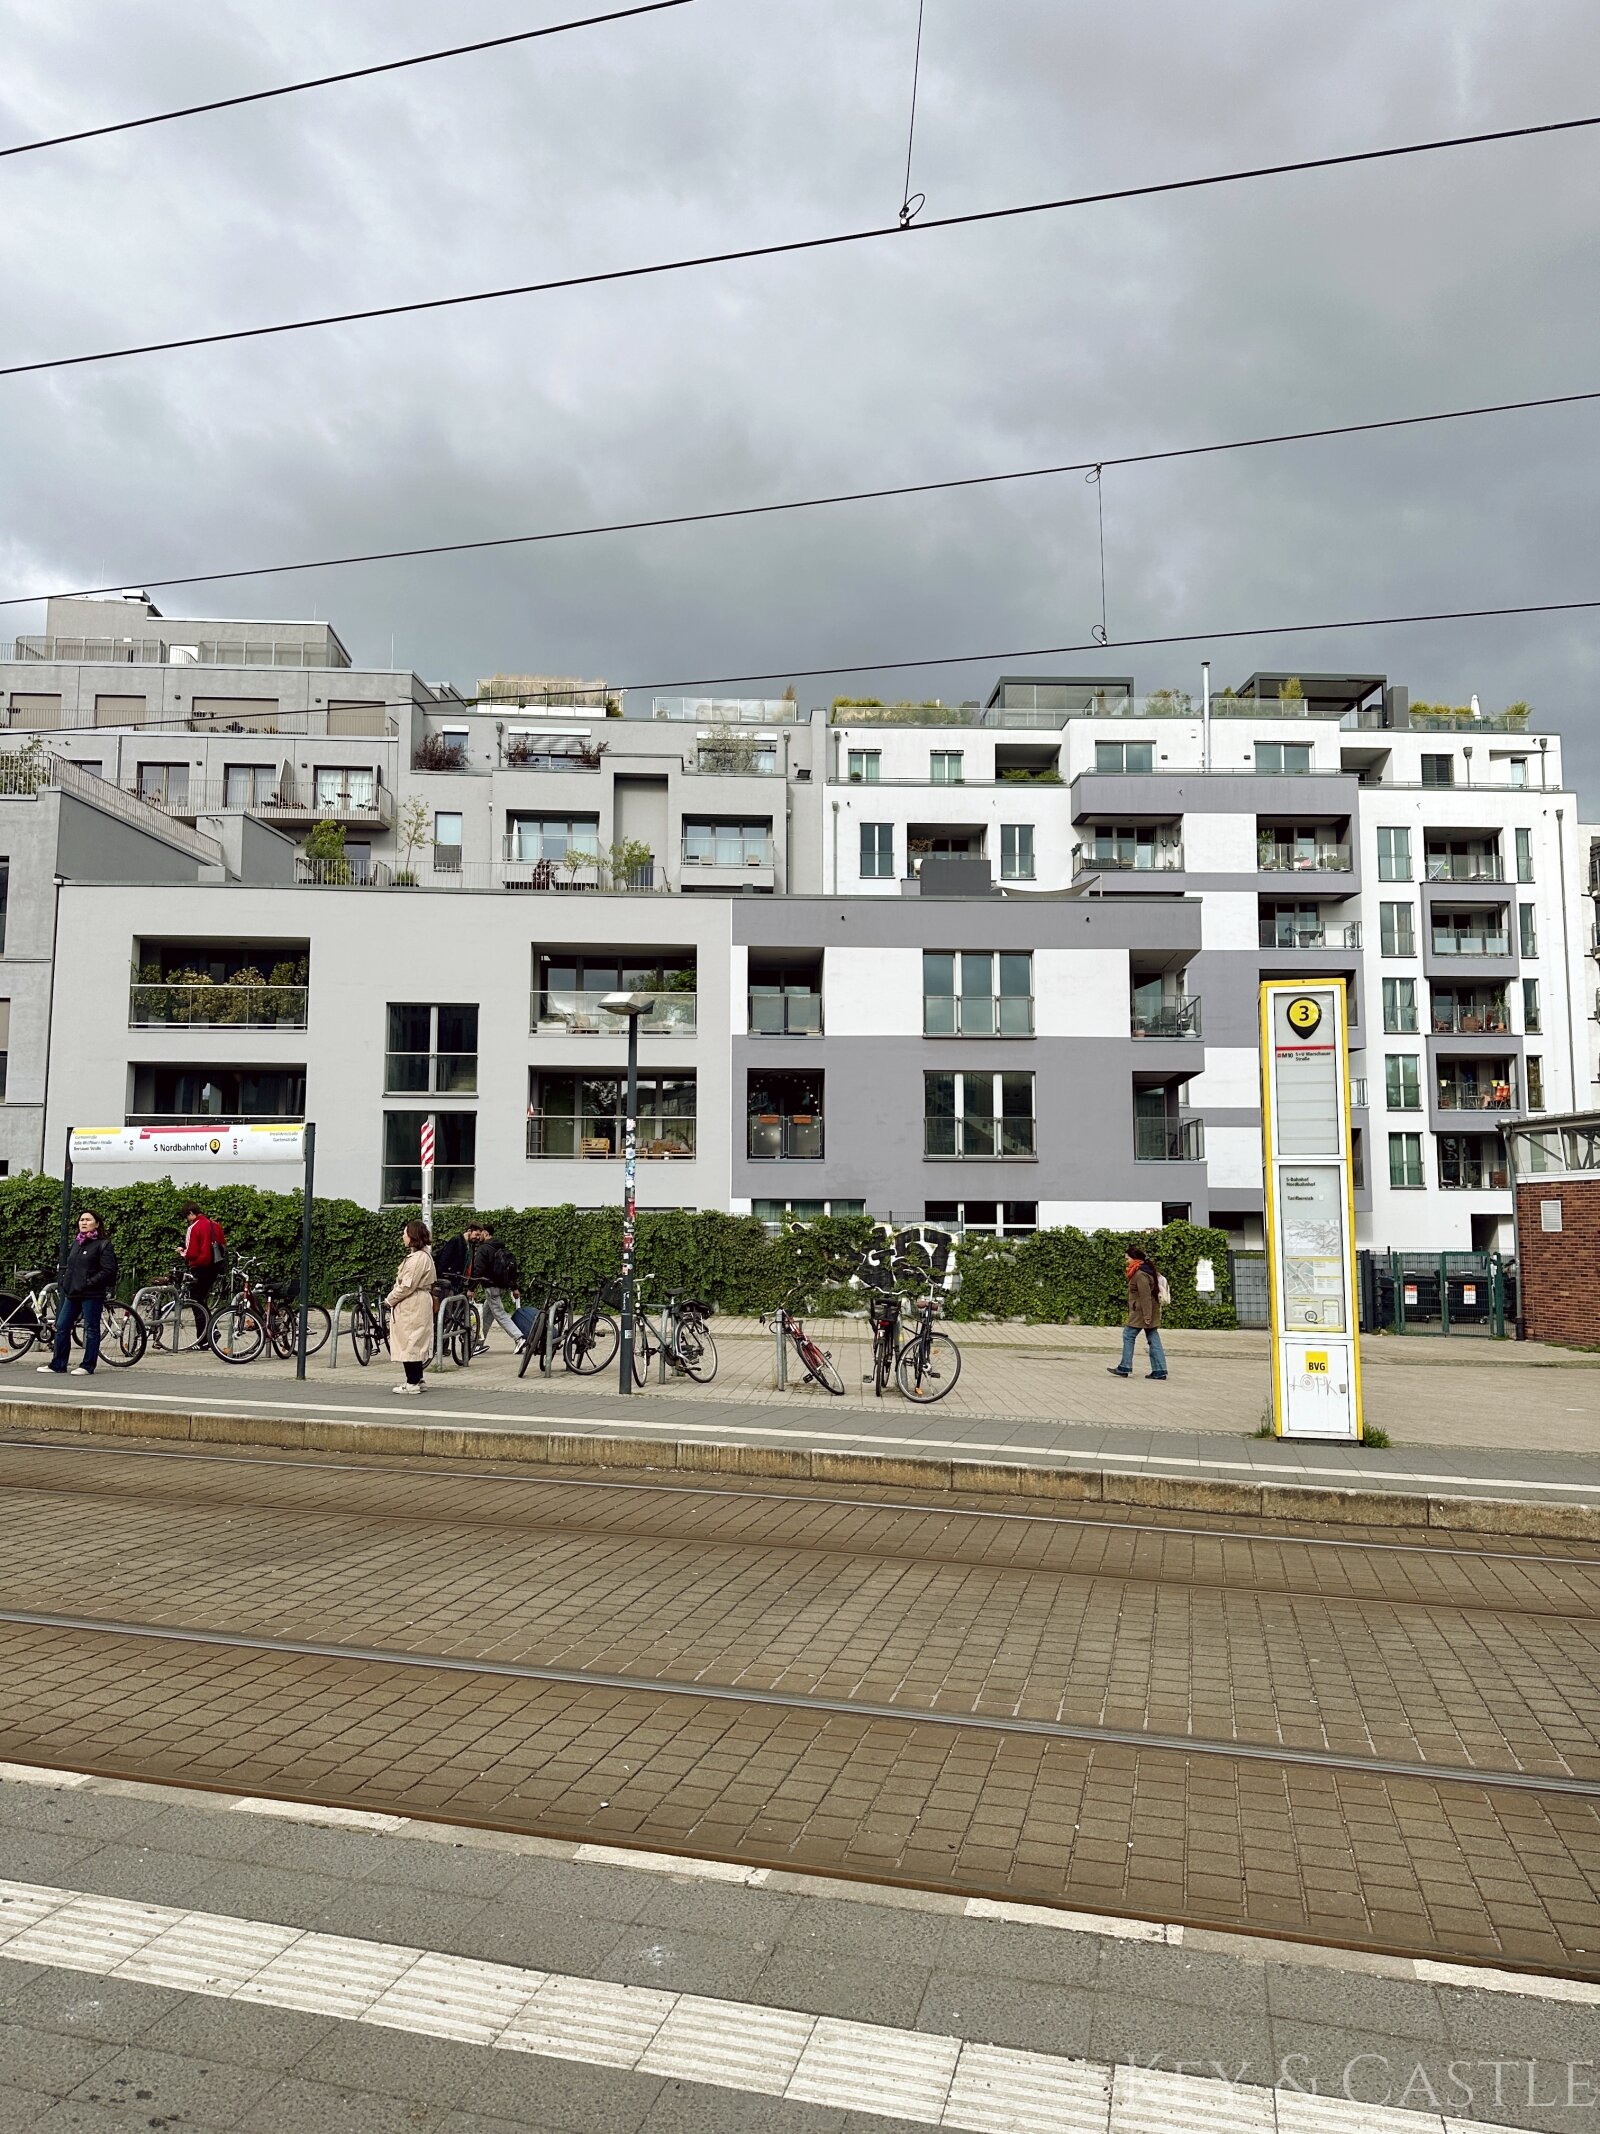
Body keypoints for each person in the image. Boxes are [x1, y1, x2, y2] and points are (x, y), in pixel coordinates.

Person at [40, 1209, 118, 1376]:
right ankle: (58, 1363)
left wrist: (89, 1283)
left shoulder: (103, 1244)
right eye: (81, 1219)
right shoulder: (77, 1243)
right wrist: (65, 1283)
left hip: (91, 1293)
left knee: (91, 1328)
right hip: (73, 1292)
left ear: (96, 1223)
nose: (83, 1222)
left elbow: (108, 1270)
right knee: (62, 1326)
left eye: (88, 1220)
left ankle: (88, 1365)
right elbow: (71, 1266)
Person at [387, 1219, 437, 1395]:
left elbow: (407, 1285)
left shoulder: (417, 1259)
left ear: (412, 1236)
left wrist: (390, 1299)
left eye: (405, 1233)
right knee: (415, 1340)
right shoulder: (424, 1256)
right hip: (418, 1301)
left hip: (412, 1304)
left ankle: (412, 1382)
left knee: (409, 1341)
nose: (403, 1236)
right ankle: (418, 1379)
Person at [470, 1224, 535, 1352]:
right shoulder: (501, 1248)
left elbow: (478, 1270)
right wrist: (514, 1288)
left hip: (491, 1286)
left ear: (486, 1233)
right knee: (487, 1315)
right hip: (501, 1286)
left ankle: (519, 1338)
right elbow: (509, 1269)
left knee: (500, 1314)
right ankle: (477, 1343)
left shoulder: (484, 1249)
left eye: (481, 1233)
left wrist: (471, 1288)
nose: (479, 1237)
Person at [1107, 1246, 1168, 1381]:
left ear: (1135, 1259)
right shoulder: (1144, 1270)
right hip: (1147, 1311)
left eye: (1127, 1258)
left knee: (1128, 1335)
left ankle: (1125, 1367)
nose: (1126, 1261)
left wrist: (1147, 1316)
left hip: (1142, 1312)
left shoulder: (1140, 1274)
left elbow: (1145, 1296)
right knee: (1153, 1338)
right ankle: (1160, 1370)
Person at [180, 1200, 227, 1311]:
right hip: (215, 1266)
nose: (187, 1220)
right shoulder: (215, 1225)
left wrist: (182, 1252)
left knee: (196, 1301)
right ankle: (211, 1327)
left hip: (200, 1267)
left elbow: (192, 1253)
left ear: (191, 1213)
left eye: (187, 1216)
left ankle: (204, 1328)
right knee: (202, 1299)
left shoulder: (194, 1227)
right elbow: (223, 1244)